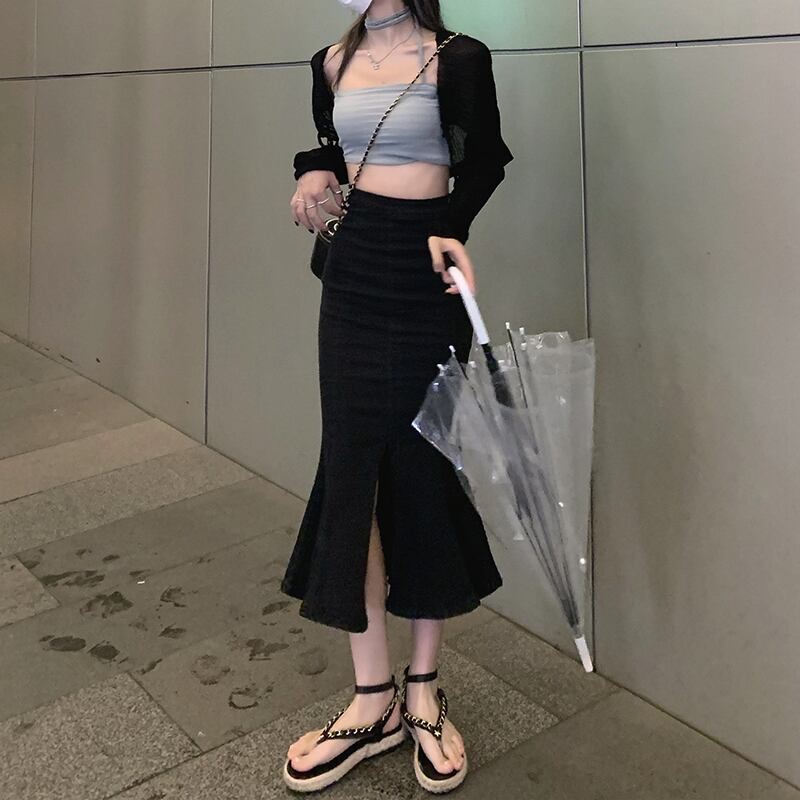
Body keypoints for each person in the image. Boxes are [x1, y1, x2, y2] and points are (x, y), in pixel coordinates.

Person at [280, 0, 513, 793]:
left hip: (424, 273)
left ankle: (422, 689)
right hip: (352, 273)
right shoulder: (329, 61)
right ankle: (371, 695)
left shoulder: (460, 56)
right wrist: (312, 169)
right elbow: (335, 144)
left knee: (422, 464)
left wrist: (455, 227)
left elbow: (485, 158)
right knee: (352, 467)